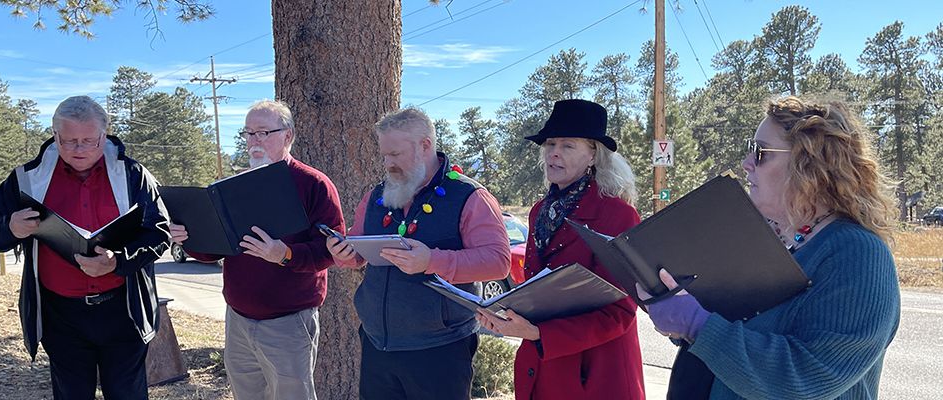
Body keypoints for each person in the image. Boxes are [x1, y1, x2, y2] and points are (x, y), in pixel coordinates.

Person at [640, 96, 901, 399]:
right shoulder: (779, 238)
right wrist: (682, 319)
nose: (746, 163)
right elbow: (739, 332)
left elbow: (807, 379)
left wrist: (698, 326)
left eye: (760, 153)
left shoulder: (858, 253)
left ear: (811, 164)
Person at [0, 96, 170, 399]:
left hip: (123, 310)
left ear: (105, 135)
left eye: (89, 141)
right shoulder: (28, 179)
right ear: (54, 134)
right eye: (69, 140)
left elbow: (159, 232)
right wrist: (9, 227)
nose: (79, 149)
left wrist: (118, 261)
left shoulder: (133, 175)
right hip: (61, 317)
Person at [326, 106, 510, 400]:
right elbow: (358, 247)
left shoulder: (469, 196)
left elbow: (499, 262)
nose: (387, 164)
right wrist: (344, 252)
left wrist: (432, 261)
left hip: (440, 348)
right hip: (377, 344)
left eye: (395, 154)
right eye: (384, 155)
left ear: (425, 145)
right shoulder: (376, 195)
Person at [169, 100, 344, 400]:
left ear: (287, 136)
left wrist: (285, 254)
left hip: (288, 322)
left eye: (263, 132)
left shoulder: (313, 184)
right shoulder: (232, 187)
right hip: (238, 319)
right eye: (248, 133)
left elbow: (330, 251)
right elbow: (216, 249)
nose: (254, 141)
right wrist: (187, 238)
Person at [475, 99, 645, 399]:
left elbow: (620, 313)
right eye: (550, 143)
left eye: (568, 145)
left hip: (596, 378)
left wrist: (540, 334)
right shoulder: (540, 210)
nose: (553, 152)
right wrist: (505, 314)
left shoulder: (618, 215)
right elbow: (537, 290)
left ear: (593, 154)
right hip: (543, 372)